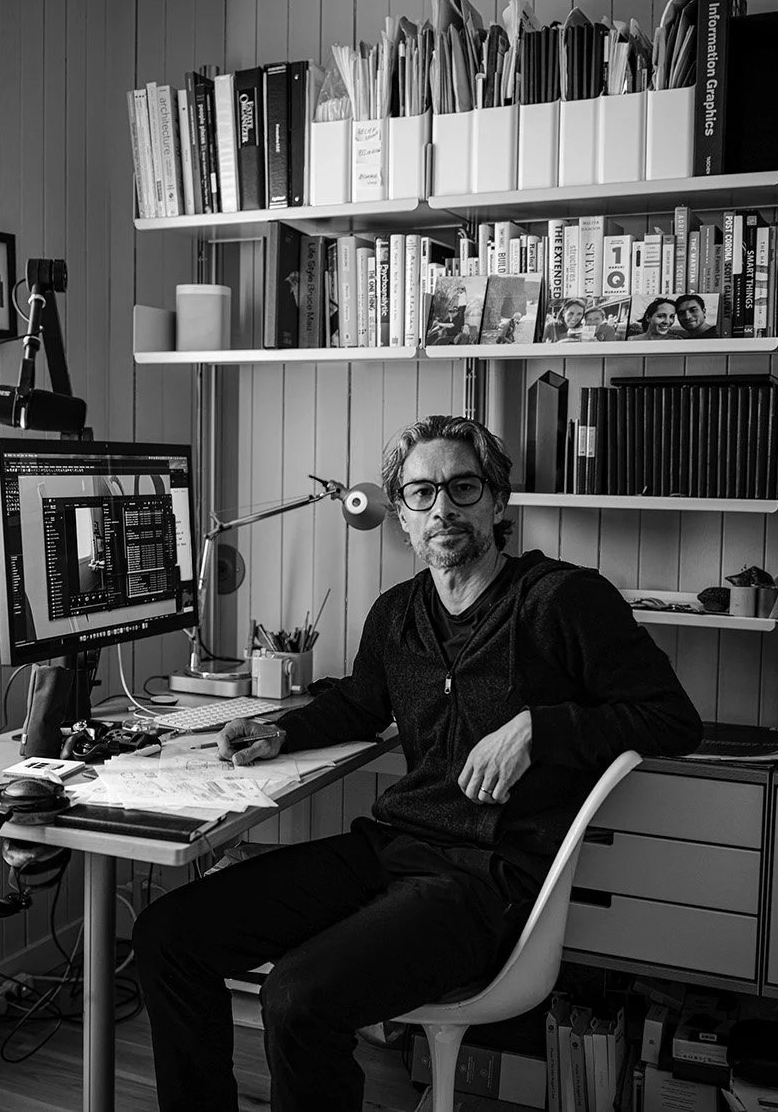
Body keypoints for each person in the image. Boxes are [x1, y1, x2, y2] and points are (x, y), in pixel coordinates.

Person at [133, 415, 704, 1112]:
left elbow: (674, 718)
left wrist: (538, 727)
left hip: (483, 882)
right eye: (422, 493)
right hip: (389, 850)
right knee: (167, 934)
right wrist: (279, 732)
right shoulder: (397, 613)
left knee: (295, 996)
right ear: (401, 515)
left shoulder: (562, 600)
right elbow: (358, 704)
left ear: (499, 502)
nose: (444, 509)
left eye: (463, 487)